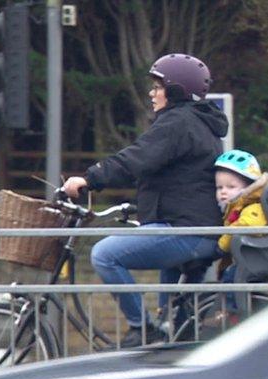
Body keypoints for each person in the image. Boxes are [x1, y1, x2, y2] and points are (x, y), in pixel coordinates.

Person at [62, 53, 228, 348]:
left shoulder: (179, 122)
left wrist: (90, 179)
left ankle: (141, 327)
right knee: (171, 331)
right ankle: (165, 342)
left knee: (105, 255)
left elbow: (136, 159)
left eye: (158, 87)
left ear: (176, 91)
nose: (152, 93)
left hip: (187, 231)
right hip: (194, 227)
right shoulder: (196, 122)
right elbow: (174, 176)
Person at [213, 149, 268, 315]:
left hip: (257, 259)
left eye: (231, 187)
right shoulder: (236, 207)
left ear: (249, 188)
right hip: (249, 258)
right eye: (219, 187)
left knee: (231, 279)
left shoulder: (253, 206)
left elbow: (248, 225)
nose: (223, 191)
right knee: (229, 275)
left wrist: (222, 245)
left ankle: (231, 314)